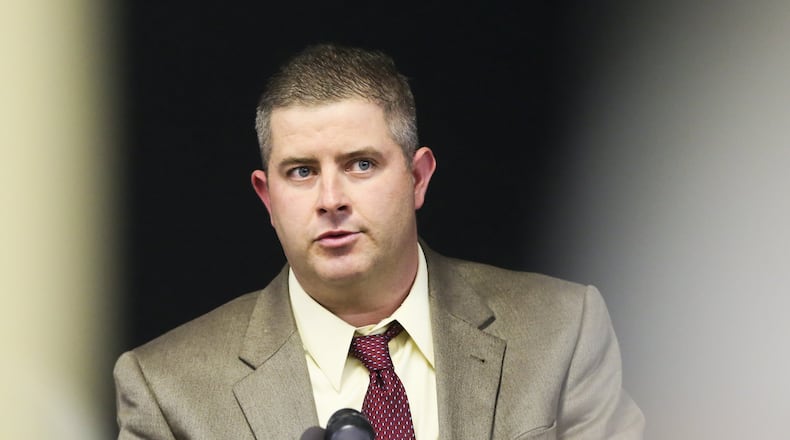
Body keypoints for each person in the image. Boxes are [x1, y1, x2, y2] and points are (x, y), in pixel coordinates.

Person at [114, 43, 645, 439]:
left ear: (418, 178)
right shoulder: (166, 389)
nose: (330, 199)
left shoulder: (561, 329)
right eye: (300, 172)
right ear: (267, 198)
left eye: (361, 164)